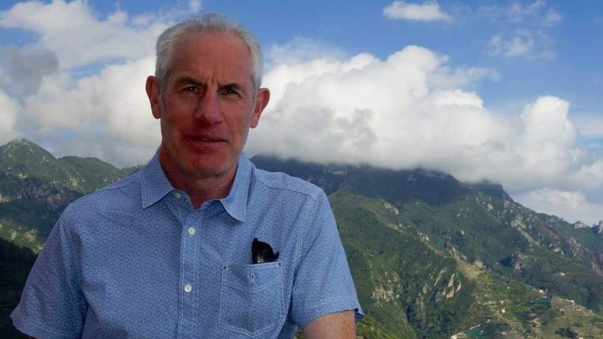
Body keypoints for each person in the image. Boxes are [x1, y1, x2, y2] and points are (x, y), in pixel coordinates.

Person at [11, 13, 363, 339]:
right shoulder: (84, 224)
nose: (209, 113)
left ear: (256, 107)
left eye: (229, 92)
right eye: (190, 88)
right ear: (156, 97)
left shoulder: (299, 212)